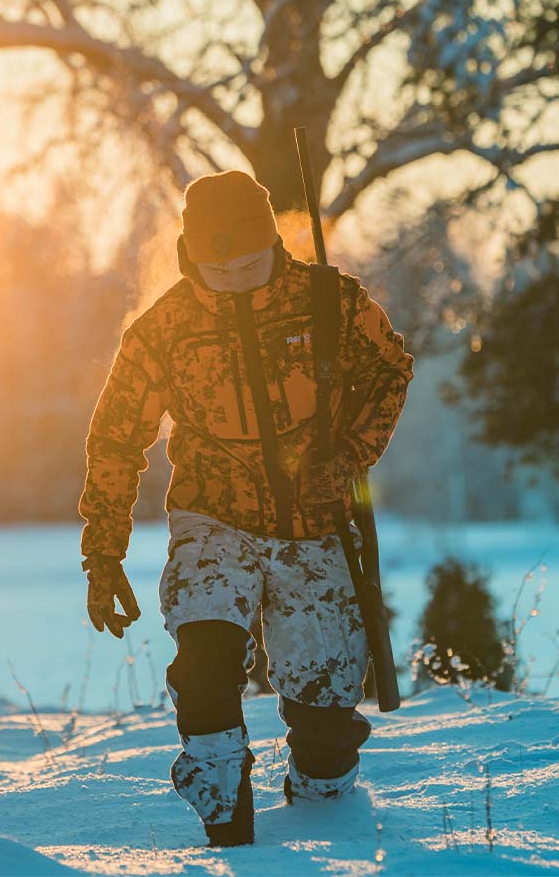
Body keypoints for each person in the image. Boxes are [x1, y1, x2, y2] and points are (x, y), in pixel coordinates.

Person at [78, 169, 414, 847]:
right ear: (188, 252)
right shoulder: (163, 329)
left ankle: (323, 805)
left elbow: (390, 371)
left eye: (249, 264)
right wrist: (103, 552)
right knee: (204, 662)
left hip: (315, 524)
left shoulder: (332, 304)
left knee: (325, 713)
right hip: (213, 518)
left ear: (274, 246)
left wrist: (350, 455)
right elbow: (117, 437)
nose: (232, 277)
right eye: (216, 266)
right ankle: (224, 817)